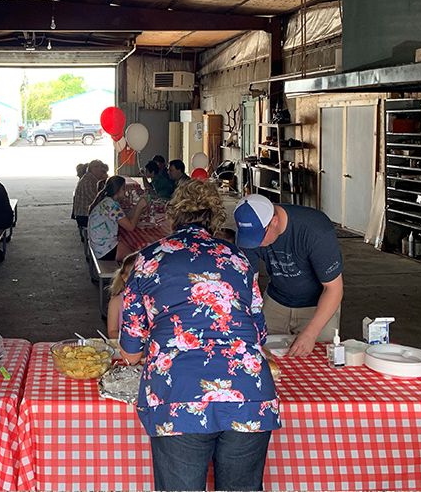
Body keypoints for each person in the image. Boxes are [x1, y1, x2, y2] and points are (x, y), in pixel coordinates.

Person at [120, 180, 280, 491]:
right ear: (216, 217)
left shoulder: (149, 260)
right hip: (248, 395)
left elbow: (130, 351)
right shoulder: (238, 259)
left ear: (172, 216)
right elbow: (259, 335)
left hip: (179, 395)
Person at [233, 193, 343, 357]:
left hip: (316, 305)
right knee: (260, 355)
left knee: (318, 360)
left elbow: (334, 289)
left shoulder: (315, 230)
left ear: (274, 221)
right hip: (276, 301)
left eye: (258, 237)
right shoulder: (248, 235)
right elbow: (250, 284)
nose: (254, 244)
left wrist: (311, 333)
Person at [88, 176, 149, 262]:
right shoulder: (112, 205)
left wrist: (139, 208)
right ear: (118, 190)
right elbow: (131, 227)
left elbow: (125, 218)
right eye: (124, 189)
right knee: (137, 258)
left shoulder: (108, 202)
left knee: (129, 244)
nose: (126, 192)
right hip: (104, 250)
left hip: (99, 246)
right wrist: (139, 207)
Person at [107, 253, 137, 339]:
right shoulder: (116, 302)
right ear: (125, 278)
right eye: (134, 276)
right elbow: (112, 332)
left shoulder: (154, 299)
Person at [72, 159, 108, 228]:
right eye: (101, 170)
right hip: (85, 216)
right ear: (94, 170)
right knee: (113, 218)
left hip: (87, 214)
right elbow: (97, 201)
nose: (102, 173)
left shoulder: (91, 180)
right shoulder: (88, 182)